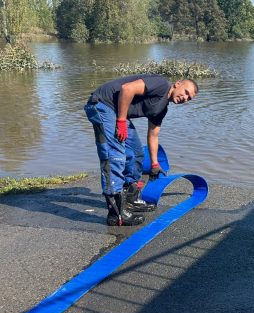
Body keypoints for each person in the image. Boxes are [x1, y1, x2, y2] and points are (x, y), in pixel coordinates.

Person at [84, 74, 198, 226]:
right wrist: (121, 121)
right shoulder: (161, 84)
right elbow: (127, 88)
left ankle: (129, 200)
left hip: (116, 112)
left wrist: (155, 164)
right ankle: (116, 214)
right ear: (177, 84)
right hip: (102, 105)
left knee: (136, 153)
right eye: (186, 92)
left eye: (189, 98)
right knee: (115, 156)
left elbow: (153, 135)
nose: (185, 98)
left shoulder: (161, 109)